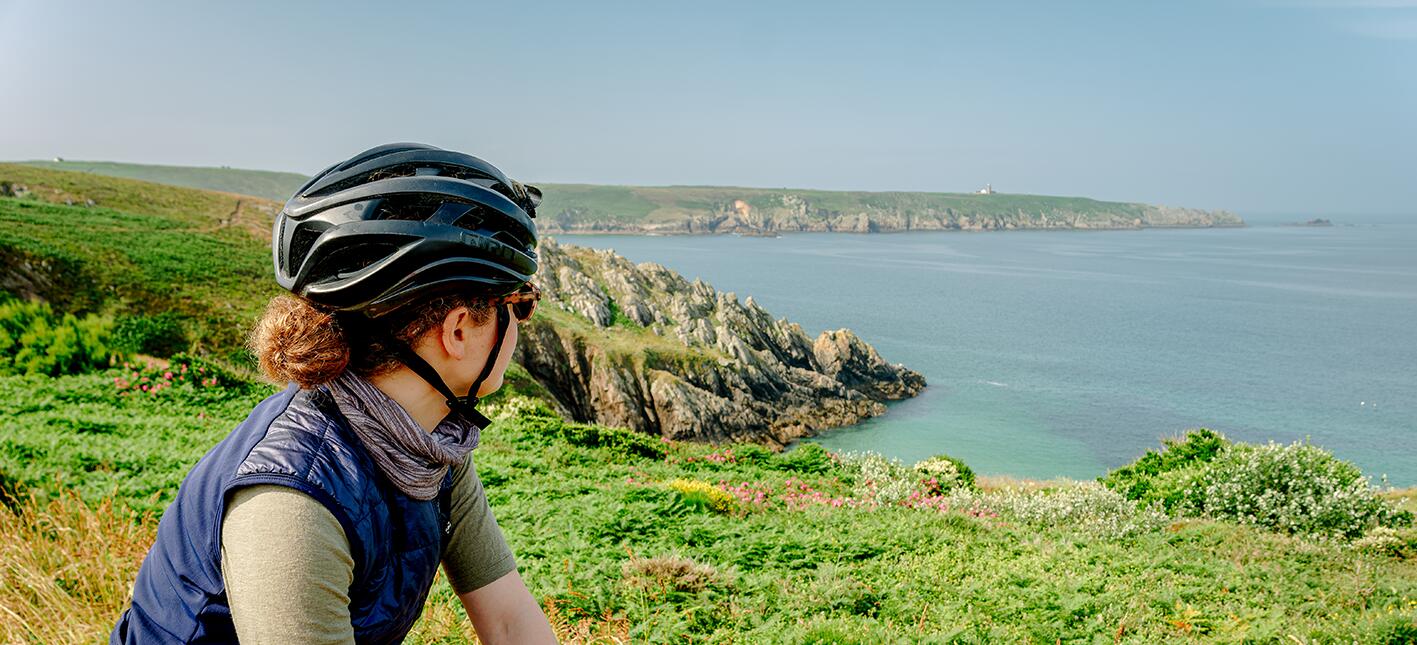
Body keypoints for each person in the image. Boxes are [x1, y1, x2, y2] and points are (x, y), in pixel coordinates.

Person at [111, 143, 558, 644]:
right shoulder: (291, 505)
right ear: (457, 332)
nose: (521, 324)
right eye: (521, 304)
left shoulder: (431, 445)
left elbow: (507, 620)